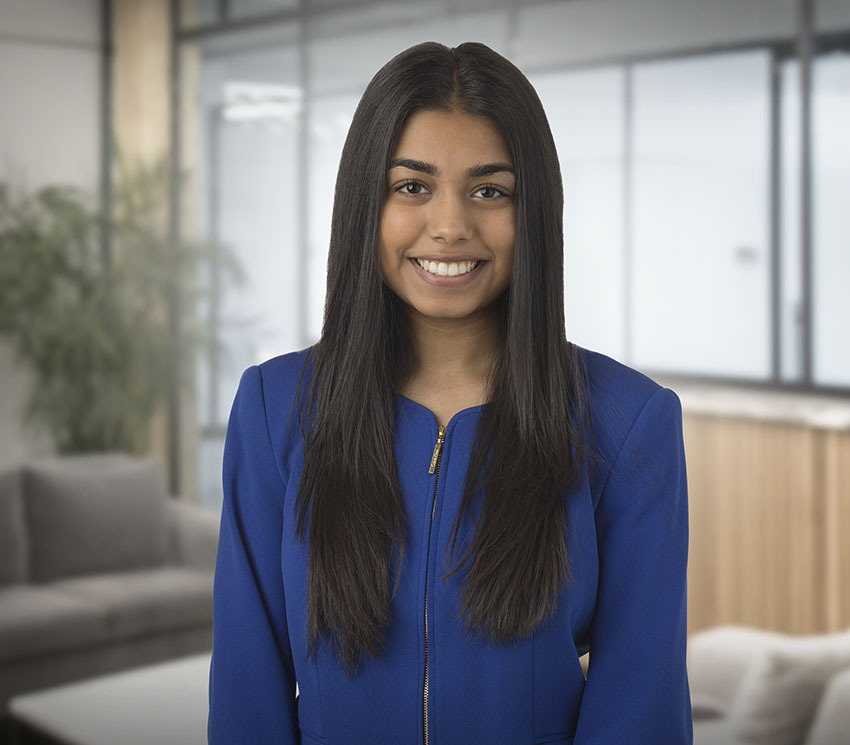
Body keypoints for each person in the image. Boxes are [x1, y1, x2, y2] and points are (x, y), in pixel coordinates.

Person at [207, 40, 692, 745]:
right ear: (364, 205)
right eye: (412, 186)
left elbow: (640, 705)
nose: (449, 225)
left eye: (489, 190)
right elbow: (247, 694)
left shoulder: (628, 423)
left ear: (534, 213)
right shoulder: (272, 408)